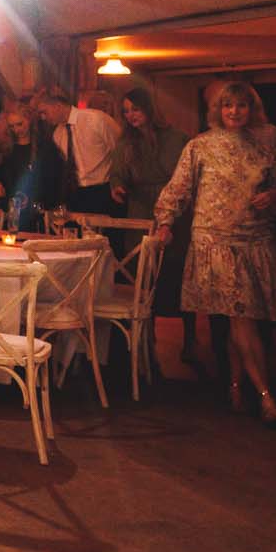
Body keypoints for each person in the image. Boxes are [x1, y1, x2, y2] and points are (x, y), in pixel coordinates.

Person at [153, 81, 276, 425]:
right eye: (228, 105)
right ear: (217, 109)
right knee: (241, 316)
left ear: (252, 108)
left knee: (240, 318)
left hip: (255, 240)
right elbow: (178, 188)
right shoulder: (200, 145)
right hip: (215, 242)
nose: (234, 112)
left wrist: (275, 196)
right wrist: (165, 221)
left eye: (242, 105)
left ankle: (235, 387)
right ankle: (266, 397)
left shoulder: (269, 139)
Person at [107, 87, 199, 376]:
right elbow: (117, 173)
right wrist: (117, 187)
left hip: (174, 211)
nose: (131, 116)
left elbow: (189, 176)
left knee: (177, 273)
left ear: (148, 108)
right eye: (126, 111)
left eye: (135, 108)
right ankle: (146, 339)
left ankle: (190, 338)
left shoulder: (177, 139)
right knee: (142, 276)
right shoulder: (126, 143)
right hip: (140, 210)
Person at [39, 85, 121, 215]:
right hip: (76, 192)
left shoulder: (96, 119)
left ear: (58, 106)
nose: (43, 117)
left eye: (44, 112)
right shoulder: (57, 134)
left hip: (103, 189)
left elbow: (120, 151)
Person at [0, 102, 68, 231]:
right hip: (13, 216)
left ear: (29, 120)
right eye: (12, 126)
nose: (16, 130)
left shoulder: (46, 149)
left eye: (20, 124)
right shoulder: (7, 149)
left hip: (41, 218)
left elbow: (56, 183)